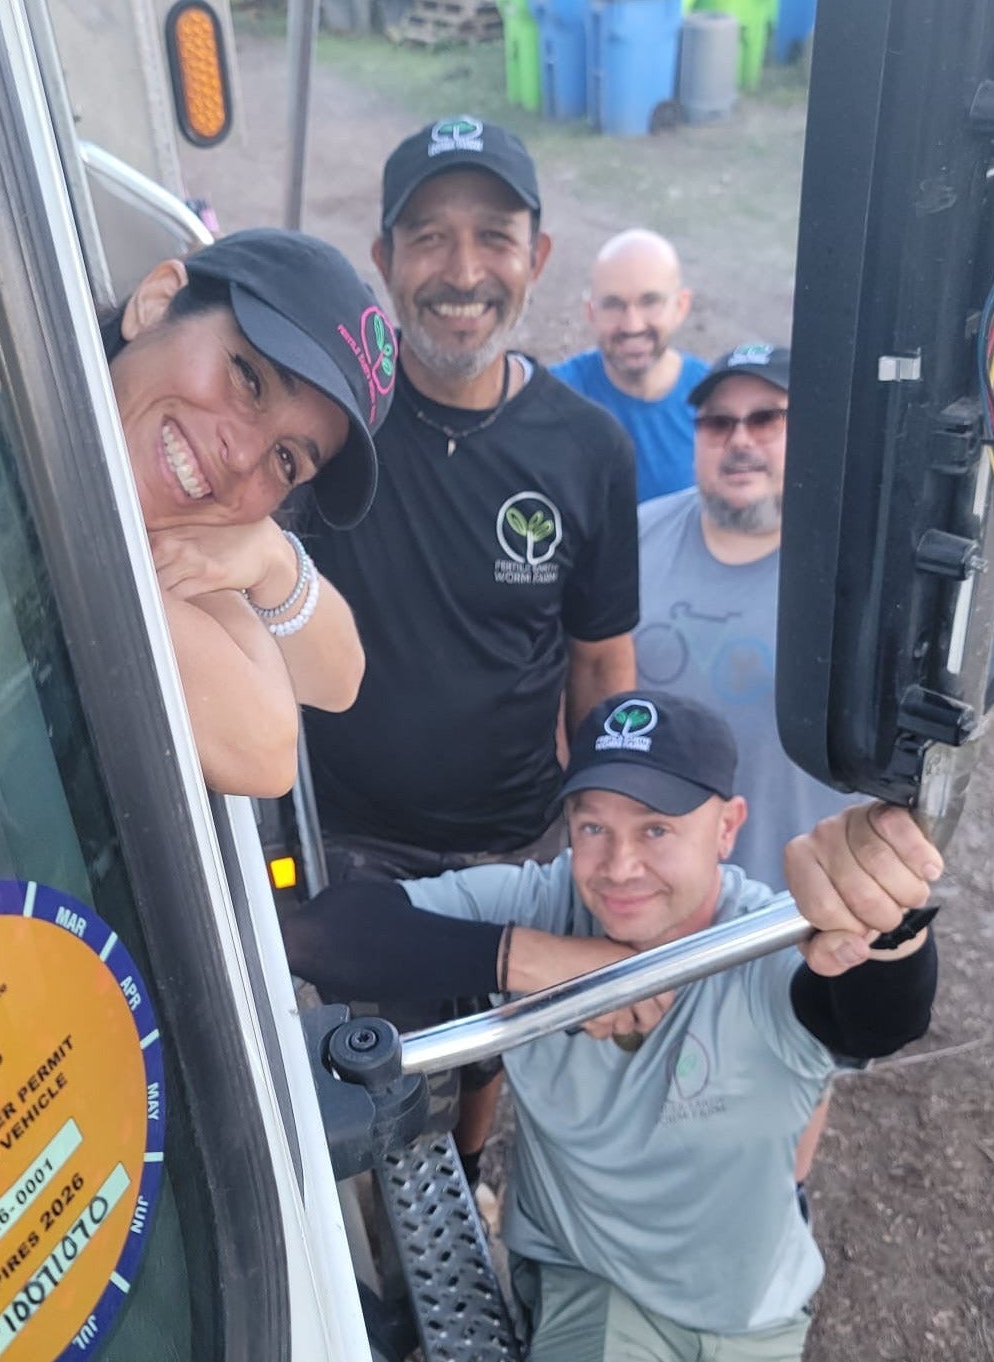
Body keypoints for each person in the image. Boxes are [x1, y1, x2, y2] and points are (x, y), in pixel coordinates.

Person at [284, 689, 940, 1362]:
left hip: (750, 1299)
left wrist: (889, 922)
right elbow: (324, 934)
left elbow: (868, 1010)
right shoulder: (543, 902)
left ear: (728, 827)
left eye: (655, 828)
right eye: (591, 823)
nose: (615, 862)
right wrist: (532, 963)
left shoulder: (764, 938)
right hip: (591, 1287)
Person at [298, 116, 639, 1180]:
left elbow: (597, 662)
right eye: (427, 238)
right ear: (382, 262)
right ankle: (397, 1197)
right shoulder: (328, 421)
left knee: (497, 1041)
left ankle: (472, 1159)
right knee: (384, 1057)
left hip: (514, 832)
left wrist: (603, 821)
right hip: (356, 841)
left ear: (536, 259)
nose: (460, 271)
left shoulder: (586, 446)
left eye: (492, 237)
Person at [103, 228, 397, 798]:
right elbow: (265, 747)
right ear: (158, 301)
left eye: (287, 460)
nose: (241, 456)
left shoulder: (181, 549)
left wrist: (272, 560)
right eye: (248, 378)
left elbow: (337, 683)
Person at [635, 344, 851, 887]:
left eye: (765, 419)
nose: (739, 441)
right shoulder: (634, 537)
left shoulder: (856, 572)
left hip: (796, 912)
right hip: (641, 899)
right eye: (718, 423)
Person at [551, 229, 708, 503]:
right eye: (613, 305)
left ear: (681, 306)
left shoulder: (715, 405)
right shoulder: (554, 399)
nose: (632, 325)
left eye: (650, 303)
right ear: (591, 313)